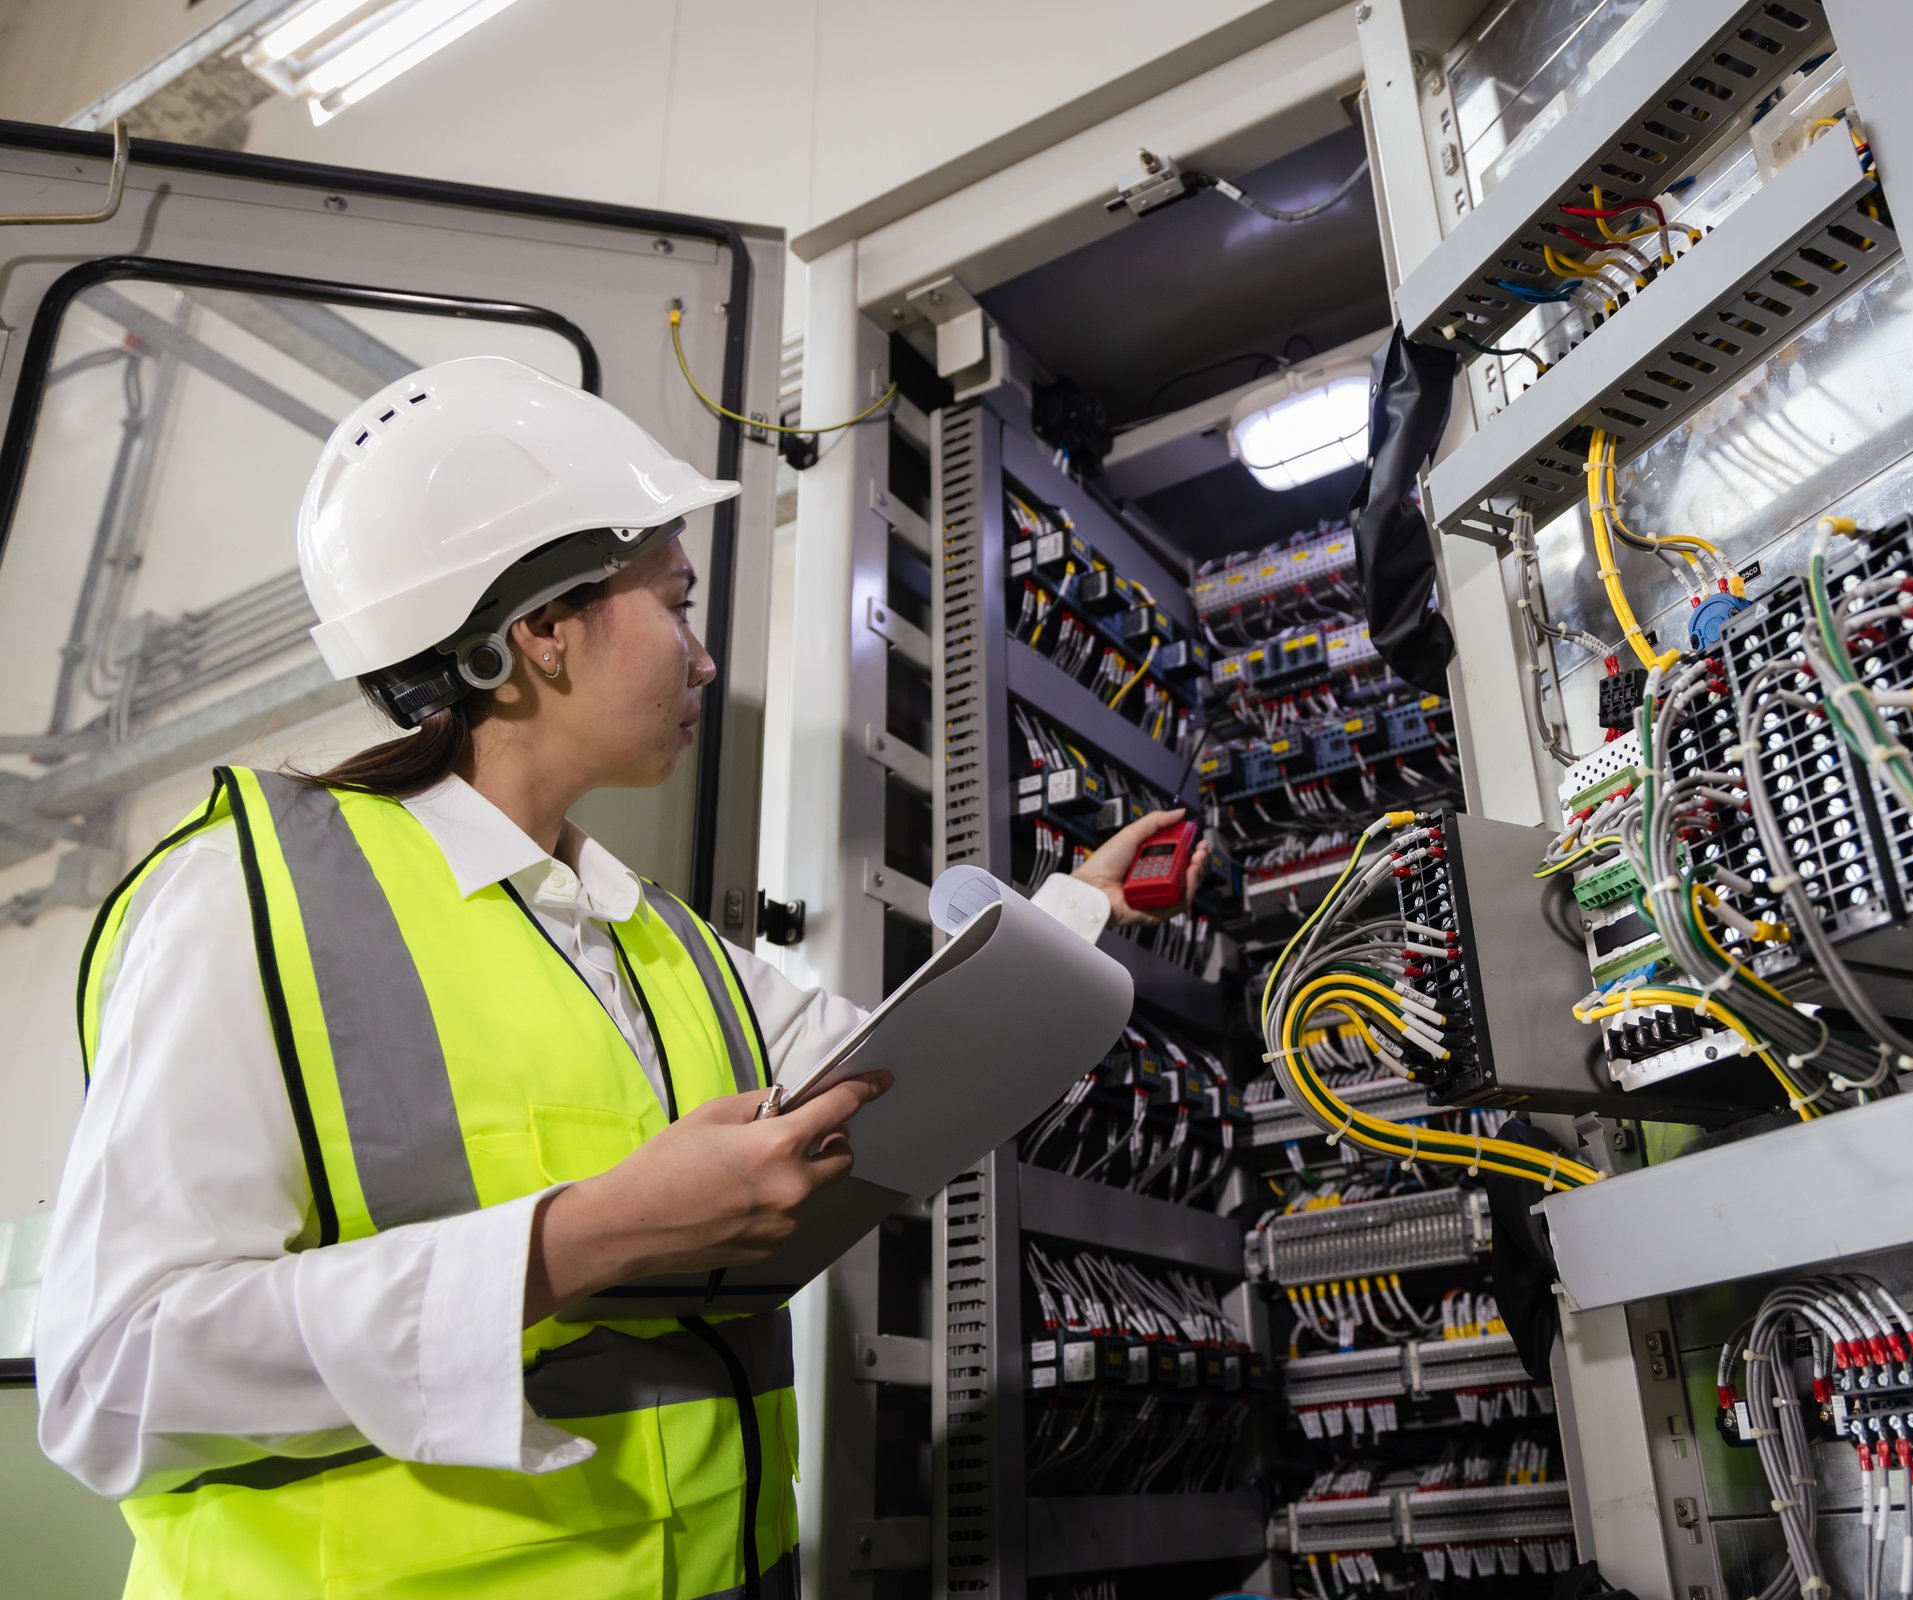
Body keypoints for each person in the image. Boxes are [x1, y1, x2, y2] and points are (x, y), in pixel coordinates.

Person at [33, 355, 1209, 1600]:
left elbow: (936, 1062)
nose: (702, 660)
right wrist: (589, 1234)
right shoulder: (241, 903)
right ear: (539, 628)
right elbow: (113, 1378)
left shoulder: (669, 951)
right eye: (678, 604)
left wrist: (1086, 903)